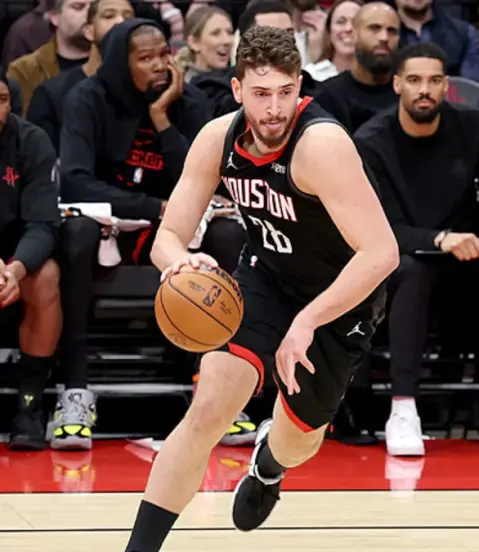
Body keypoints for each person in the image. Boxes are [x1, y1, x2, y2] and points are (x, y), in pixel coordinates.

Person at [122, 26, 398, 552]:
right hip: (265, 278)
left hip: (340, 298)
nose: (273, 109)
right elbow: (168, 239)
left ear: (300, 87)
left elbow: (382, 253)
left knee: (299, 442)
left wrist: (307, 321)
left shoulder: (321, 146)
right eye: (261, 93)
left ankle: (269, 466)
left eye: (285, 92)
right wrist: (182, 264)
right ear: (237, 89)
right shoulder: (217, 139)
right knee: (207, 412)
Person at [356, 42, 479, 456]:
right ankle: (403, 410)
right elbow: (376, 229)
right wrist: (438, 239)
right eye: (414, 80)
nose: (425, 89)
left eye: (434, 80)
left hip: (466, 259)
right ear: (397, 84)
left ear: (446, 85)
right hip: (404, 262)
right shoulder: (371, 142)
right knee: (412, 270)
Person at [55, 18, 224, 451]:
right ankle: (75, 392)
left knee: (227, 235)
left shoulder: (190, 101)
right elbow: (74, 181)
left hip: (172, 228)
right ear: (119, 63)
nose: (160, 65)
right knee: (75, 235)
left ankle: (214, 392)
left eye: (164, 54)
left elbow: (202, 177)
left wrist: (161, 120)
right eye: (145, 58)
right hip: (111, 224)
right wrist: (153, 207)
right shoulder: (87, 99)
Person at [0, 75, 62, 451]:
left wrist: (14, 268)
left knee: (46, 277)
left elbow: (43, 224)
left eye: (2, 99)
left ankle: (29, 404)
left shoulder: (31, 141)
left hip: (17, 255)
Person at [28, 0, 135, 152]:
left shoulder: (147, 90)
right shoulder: (51, 94)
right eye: (109, 16)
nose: (120, 21)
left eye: (128, 17)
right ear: (89, 31)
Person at [313, 2, 400, 133]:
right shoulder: (328, 96)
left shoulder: (407, 93)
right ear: (353, 34)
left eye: (392, 31)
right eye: (374, 29)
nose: (384, 37)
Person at [7, 0, 94, 116]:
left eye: (95, 7)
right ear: (54, 17)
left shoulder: (115, 62)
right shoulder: (24, 70)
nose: (89, 13)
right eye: (78, 7)